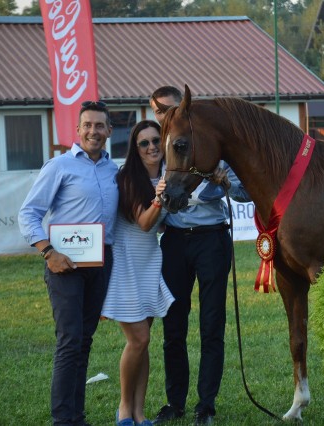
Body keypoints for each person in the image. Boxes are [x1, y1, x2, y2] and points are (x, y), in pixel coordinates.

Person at [149, 86, 252, 425]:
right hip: (176, 240)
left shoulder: (208, 142)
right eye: (157, 111)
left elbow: (242, 192)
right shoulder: (159, 146)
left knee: (212, 324)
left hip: (211, 239)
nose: (163, 115)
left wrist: (225, 183)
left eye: (167, 108)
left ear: (182, 107)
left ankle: (205, 404)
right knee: (173, 325)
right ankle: (174, 402)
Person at [18, 101, 119, 426]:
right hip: (64, 266)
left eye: (99, 125)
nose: (93, 131)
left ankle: (77, 415)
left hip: (101, 263)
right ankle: (63, 419)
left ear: (109, 131)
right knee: (70, 339)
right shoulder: (59, 166)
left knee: (85, 340)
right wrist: (48, 252)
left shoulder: (113, 170)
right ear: (77, 130)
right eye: (87, 125)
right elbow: (28, 213)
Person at [101, 120, 175, 426]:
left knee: (145, 342)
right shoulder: (128, 177)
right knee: (138, 340)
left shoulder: (167, 175)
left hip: (149, 262)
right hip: (125, 263)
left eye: (156, 140)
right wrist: (159, 197)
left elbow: (164, 222)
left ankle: (139, 413)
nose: (152, 147)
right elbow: (145, 223)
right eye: (143, 143)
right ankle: (123, 408)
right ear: (135, 148)